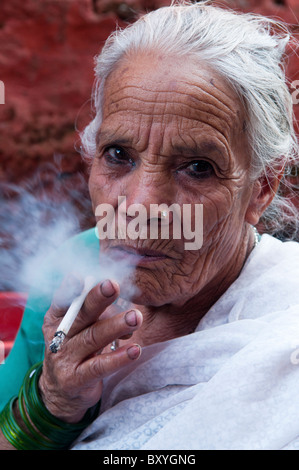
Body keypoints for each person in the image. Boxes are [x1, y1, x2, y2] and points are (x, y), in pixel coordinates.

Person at [1, 0, 299, 450]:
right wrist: (53, 401)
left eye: (197, 167)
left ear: (260, 188)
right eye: (119, 155)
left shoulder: (286, 331)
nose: (141, 206)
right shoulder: (68, 281)